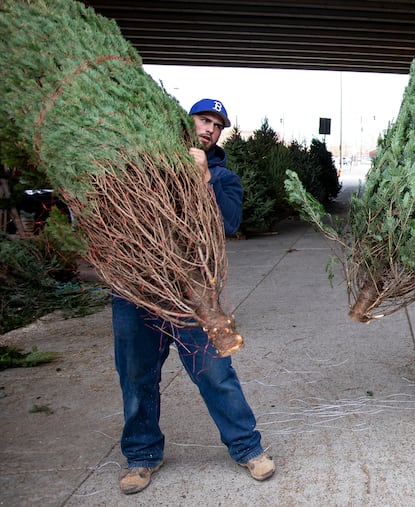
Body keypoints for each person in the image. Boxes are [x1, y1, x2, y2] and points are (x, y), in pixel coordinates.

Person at [114, 99, 274, 495]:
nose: (209, 129)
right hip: (138, 290)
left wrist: (203, 178)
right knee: (136, 377)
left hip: (193, 295)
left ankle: (247, 447)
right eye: (204, 120)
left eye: (217, 126)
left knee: (215, 373)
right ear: (186, 122)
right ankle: (142, 455)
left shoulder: (223, 177)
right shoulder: (145, 165)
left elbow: (229, 224)